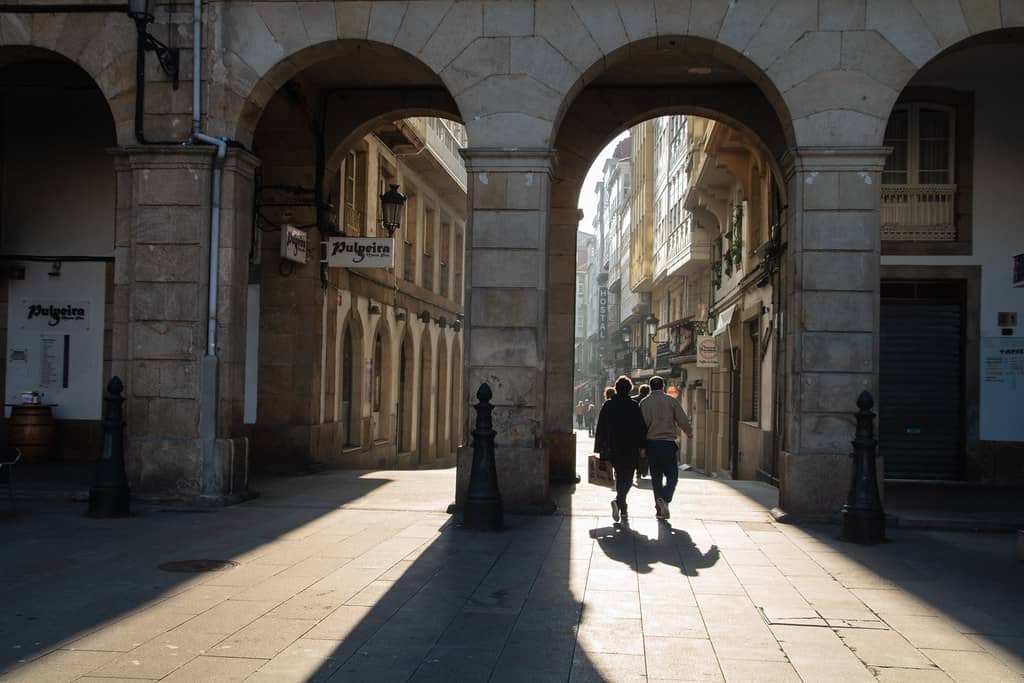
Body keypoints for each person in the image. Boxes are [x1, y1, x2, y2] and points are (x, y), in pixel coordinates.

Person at [594, 375, 648, 523]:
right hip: (630, 448)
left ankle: (621, 506)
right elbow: (640, 428)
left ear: (616, 389)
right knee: (628, 478)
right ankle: (620, 504)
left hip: (612, 448)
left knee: (619, 476)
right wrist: (643, 446)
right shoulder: (633, 406)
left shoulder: (608, 405)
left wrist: (599, 448)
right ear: (630, 389)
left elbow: (601, 428)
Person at [639, 375, 693, 521]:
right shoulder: (671, 401)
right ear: (663, 386)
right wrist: (688, 432)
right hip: (668, 443)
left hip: (651, 444)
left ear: (650, 387)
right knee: (672, 475)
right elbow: (682, 419)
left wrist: (641, 446)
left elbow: (641, 426)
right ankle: (666, 498)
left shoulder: (644, 403)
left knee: (656, 478)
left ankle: (659, 509)